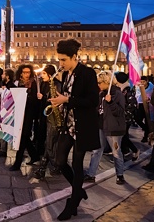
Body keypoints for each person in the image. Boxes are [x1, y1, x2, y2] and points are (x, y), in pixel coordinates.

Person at [49, 39, 100, 221]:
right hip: (68, 126)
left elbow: (93, 101)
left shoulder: (87, 73)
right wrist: (59, 102)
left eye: (63, 60)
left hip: (83, 126)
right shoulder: (66, 74)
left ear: (74, 57)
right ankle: (78, 192)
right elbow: (68, 97)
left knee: (78, 165)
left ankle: (72, 204)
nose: (60, 64)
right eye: (59, 60)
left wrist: (67, 100)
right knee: (60, 161)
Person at [85, 71, 127, 185]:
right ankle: (91, 174)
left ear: (106, 81)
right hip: (101, 126)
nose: (98, 84)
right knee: (97, 150)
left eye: (100, 82)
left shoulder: (117, 94)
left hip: (114, 128)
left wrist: (111, 102)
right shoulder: (101, 94)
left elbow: (120, 112)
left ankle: (120, 175)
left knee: (116, 151)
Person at [9, 64, 40, 171]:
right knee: (24, 136)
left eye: (28, 72)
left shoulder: (34, 83)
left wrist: (27, 96)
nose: (27, 75)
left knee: (23, 136)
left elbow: (35, 100)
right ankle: (35, 156)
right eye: (24, 72)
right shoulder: (17, 83)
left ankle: (17, 163)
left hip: (29, 113)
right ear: (20, 73)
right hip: (19, 112)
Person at [34, 64, 62, 179]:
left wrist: (44, 98)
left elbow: (57, 101)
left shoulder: (57, 85)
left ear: (50, 75)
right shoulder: (44, 84)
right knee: (49, 143)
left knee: (50, 143)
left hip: (54, 117)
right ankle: (53, 165)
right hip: (46, 116)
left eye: (44, 73)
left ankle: (45, 167)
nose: (42, 75)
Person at [135, 76, 154, 142]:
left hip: (148, 105)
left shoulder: (151, 87)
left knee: (147, 120)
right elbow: (137, 95)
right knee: (138, 119)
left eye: (144, 81)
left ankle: (145, 136)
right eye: (141, 81)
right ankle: (147, 129)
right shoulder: (138, 87)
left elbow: (152, 95)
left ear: (147, 81)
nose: (142, 83)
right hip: (140, 104)